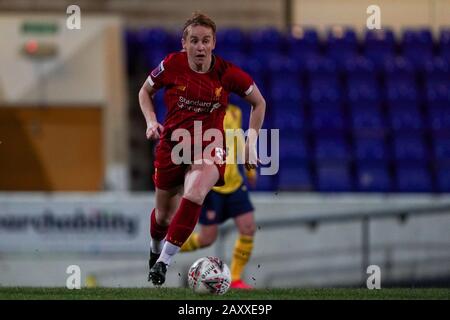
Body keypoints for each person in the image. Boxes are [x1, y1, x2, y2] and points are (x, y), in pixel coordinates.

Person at [138, 12, 266, 286]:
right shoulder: (171, 65)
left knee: (196, 192)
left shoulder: (227, 73)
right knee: (163, 215)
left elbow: (259, 103)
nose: (200, 47)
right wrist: (151, 122)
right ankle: (154, 249)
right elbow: (144, 92)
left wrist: (251, 142)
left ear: (214, 43)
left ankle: (163, 263)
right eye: (194, 41)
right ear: (184, 44)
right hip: (173, 144)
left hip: (210, 144)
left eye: (206, 40)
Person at [180, 104, 257, 289]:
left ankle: (236, 278)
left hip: (234, 184)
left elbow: (237, 141)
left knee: (248, 227)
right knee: (207, 238)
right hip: (212, 185)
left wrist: (249, 171)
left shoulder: (235, 111)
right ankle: (169, 247)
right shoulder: (201, 111)